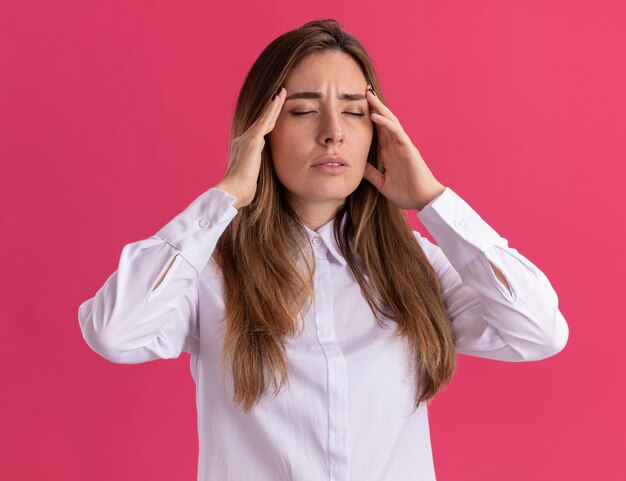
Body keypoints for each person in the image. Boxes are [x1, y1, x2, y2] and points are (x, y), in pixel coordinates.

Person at [78, 18, 569, 481]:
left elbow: (539, 332)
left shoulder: (418, 267)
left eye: (356, 111)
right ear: (262, 133)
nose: (333, 131)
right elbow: (114, 331)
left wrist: (433, 201)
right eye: (305, 110)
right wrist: (226, 195)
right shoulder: (209, 269)